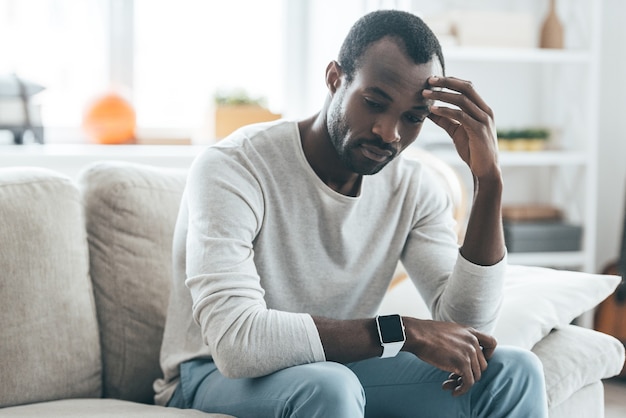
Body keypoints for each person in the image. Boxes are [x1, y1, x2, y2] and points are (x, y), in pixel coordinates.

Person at [155, 9, 548, 418]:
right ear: (334, 79)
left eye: (413, 118)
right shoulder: (234, 168)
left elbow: (466, 331)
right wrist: (403, 331)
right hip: (209, 376)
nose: (390, 133)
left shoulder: (414, 186)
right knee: (329, 385)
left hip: (336, 369)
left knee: (513, 371)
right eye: (375, 103)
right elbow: (237, 344)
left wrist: (489, 182)